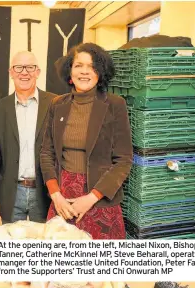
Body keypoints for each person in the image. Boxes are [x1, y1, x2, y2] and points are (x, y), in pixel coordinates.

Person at [40, 43, 133, 239]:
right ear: (69, 71)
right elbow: (46, 153)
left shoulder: (115, 105)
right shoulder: (57, 104)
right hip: (63, 200)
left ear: (101, 72)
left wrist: (91, 198)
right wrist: (56, 195)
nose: (84, 71)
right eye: (78, 65)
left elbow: (123, 160)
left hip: (100, 199)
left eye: (92, 66)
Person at [0, 51, 56, 223]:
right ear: (11, 72)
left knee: (41, 245)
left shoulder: (55, 103)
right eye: (18, 67)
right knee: (11, 244)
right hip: (11, 192)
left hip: (44, 192)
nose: (24, 72)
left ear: (38, 72)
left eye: (30, 67)